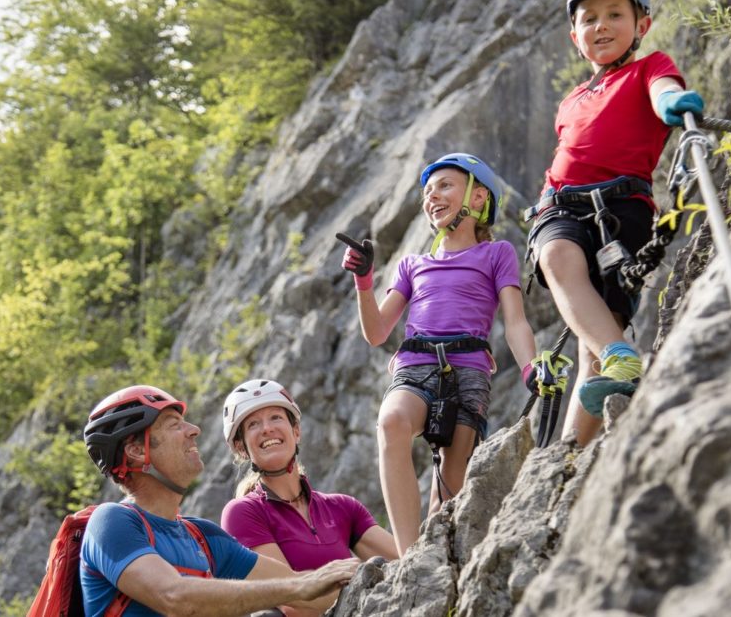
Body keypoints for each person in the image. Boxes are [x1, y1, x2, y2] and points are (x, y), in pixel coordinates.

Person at [524, 0, 705, 446]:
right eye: (588, 19)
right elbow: (566, 156)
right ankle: (623, 357)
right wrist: (545, 201)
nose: (600, 26)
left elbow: (661, 88)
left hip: (624, 210)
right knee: (557, 257)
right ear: (575, 36)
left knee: (594, 352)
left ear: (641, 25)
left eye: (614, 15)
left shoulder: (651, 67)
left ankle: (567, 454)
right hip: (561, 205)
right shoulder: (571, 100)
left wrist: (672, 104)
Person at [337, 153, 538, 556]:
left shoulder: (497, 254)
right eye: (427, 191)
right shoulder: (413, 265)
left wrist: (532, 367)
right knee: (392, 422)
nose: (432, 196)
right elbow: (377, 332)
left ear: (478, 198)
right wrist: (363, 281)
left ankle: (434, 558)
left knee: (450, 481)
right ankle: (409, 558)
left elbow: (515, 320)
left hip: (468, 370)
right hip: (416, 364)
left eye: (444, 185)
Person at [80, 384, 359, 616]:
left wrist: (375, 578)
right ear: (138, 451)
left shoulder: (204, 537)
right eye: (174, 424)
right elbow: (174, 596)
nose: (194, 430)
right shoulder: (111, 522)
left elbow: (306, 591)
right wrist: (301, 587)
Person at [219, 379, 398, 605]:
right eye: (253, 424)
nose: (266, 428)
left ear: (296, 432)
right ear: (241, 447)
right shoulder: (243, 513)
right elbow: (290, 601)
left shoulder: (343, 507)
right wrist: (364, 584)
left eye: (276, 417)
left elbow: (405, 561)